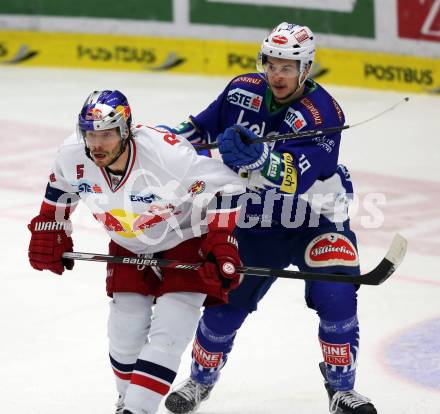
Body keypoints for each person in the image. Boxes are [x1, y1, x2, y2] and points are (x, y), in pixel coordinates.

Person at [163, 22, 377, 414]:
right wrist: (162, 142)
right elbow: (199, 129)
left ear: (305, 69)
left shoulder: (323, 112)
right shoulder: (241, 89)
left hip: (315, 220)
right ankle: (199, 381)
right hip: (257, 218)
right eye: (272, 65)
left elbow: (300, 175)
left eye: (287, 67)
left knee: (337, 296)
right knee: (225, 304)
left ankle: (342, 389)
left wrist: (260, 157)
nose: (277, 75)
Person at [27, 90, 247, 414]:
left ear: (126, 129)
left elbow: (228, 185)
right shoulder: (73, 154)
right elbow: (62, 184)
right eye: (90, 134)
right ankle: (126, 402)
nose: (96, 144)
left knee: (170, 333)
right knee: (124, 335)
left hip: (186, 239)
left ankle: (136, 409)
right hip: (128, 242)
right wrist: (51, 223)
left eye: (106, 134)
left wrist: (220, 238)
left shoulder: (167, 157)